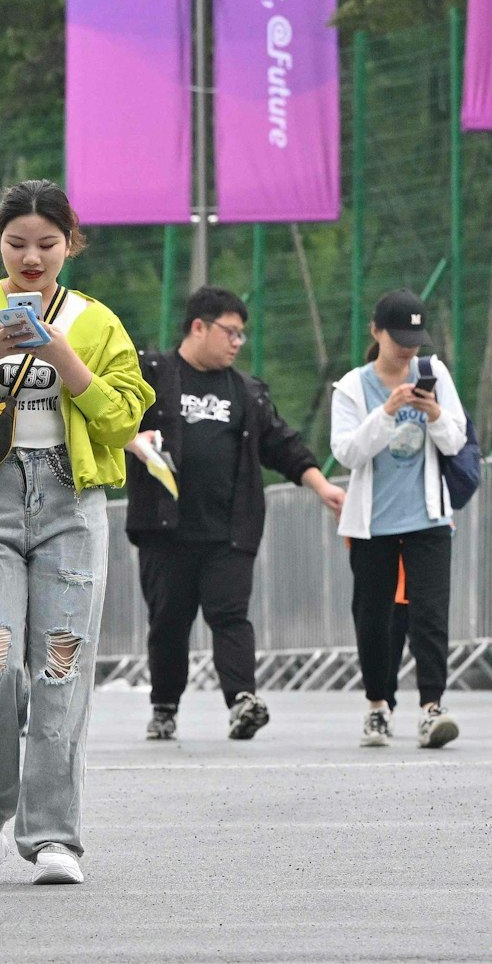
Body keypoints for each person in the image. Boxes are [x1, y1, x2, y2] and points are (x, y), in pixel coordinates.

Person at [0, 179, 152, 885]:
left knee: (61, 668)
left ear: (71, 243)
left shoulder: (97, 322)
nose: (32, 258)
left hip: (72, 502)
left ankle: (53, 835)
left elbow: (124, 419)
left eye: (48, 244)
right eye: (17, 244)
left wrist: (63, 358)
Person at [127, 286, 346, 742]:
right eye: (230, 332)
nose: (236, 342)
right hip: (164, 530)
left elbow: (281, 444)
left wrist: (319, 484)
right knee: (168, 624)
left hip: (229, 531)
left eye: (242, 335)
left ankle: (242, 700)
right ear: (198, 327)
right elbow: (111, 417)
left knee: (230, 616)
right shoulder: (152, 374)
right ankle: (164, 706)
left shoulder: (246, 391)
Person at [330, 290, 468, 749]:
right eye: (398, 339)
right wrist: (386, 412)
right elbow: (347, 451)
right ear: (376, 332)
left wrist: (434, 414)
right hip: (373, 524)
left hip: (428, 517)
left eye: (414, 340)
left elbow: (456, 440)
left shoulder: (434, 373)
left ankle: (432, 708)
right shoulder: (352, 386)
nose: (408, 349)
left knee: (430, 613)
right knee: (375, 617)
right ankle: (377, 706)